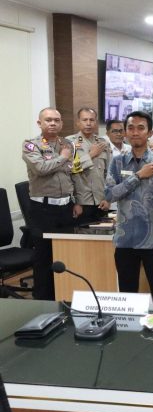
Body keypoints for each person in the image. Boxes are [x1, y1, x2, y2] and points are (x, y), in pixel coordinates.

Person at [104, 111, 153, 306]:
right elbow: (109, 195)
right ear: (125, 132)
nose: (135, 132)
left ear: (150, 133)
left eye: (140, 128)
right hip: (125, 240)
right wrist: (138, 176)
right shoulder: (117, 162)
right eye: (131, 128)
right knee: (127, 298)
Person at [22, 108, 80, 300]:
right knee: (43, 257)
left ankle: (66, 296)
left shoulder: (68, 144)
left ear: (61, 123)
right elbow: (41, 168)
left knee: (66, 254)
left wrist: (77, 201)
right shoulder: (31, 145)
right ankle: (43, 301)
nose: (53, 123)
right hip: (43, 210)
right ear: (40, 123)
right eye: (48, 120)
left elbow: (74, 172)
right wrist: (62, 157)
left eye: (57, 120)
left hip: (66, 207)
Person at [66, 107, 112, 224]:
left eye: (91, 120)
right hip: (81, 202)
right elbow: (68, 170)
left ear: (95, 122)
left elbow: (109, 173)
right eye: (84, 120)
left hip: (101, 201)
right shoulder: (69, 143)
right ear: (78, 122)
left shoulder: (103, 143)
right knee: (82, 234)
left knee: (103, 234)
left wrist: (108, 198)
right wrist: (91, 155)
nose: (88, 123)